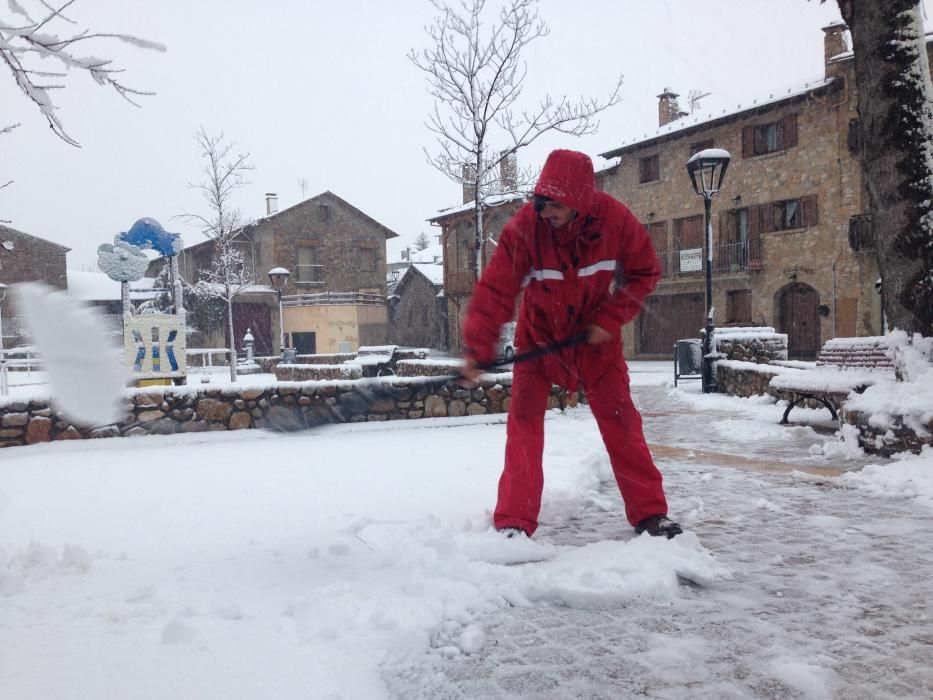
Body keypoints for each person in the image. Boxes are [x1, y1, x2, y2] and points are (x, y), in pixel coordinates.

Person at [461, 148, 682, 540]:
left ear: (580, 200)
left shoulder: (615, 221)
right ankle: (514, 520)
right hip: (539, 338)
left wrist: (610, 319)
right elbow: (495, 290)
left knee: (622, 425)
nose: (546, 212)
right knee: (524, 426)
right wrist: (479, 350)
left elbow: (644, 271)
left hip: (596, 342)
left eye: (555, 205)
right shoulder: (527, 228)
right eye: (541, 202)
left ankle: (650, 514)